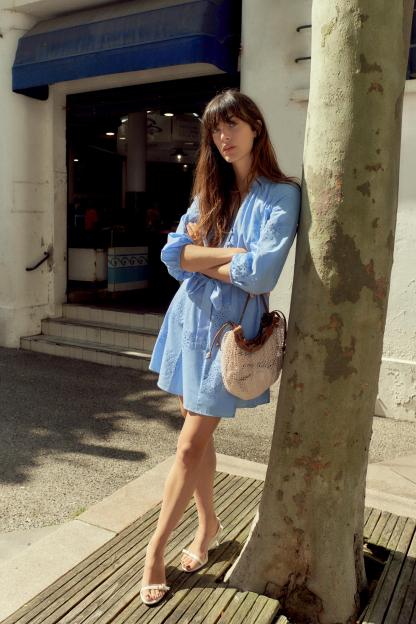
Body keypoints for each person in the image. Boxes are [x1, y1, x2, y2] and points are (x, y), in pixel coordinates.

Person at [140, 89, 301, 605]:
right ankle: (207, 524)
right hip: (189, 322)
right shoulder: (211, 191)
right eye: (215, 129)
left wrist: (202, 256)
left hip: (229, 333)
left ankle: (154, 551)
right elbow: (172, 256)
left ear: (256, 127)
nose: (224, 137)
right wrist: (229, 253)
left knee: (189, 444)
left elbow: (261, 273)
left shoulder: (283, 194)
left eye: (232, 124)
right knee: (197, 438)